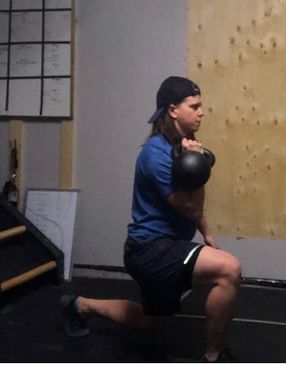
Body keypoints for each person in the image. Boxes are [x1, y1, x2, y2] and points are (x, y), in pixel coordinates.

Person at [60, 76, 242, 362]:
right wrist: (200, 169)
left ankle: (79, 305)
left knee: (150, 322)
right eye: (194, 106)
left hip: (156, 247)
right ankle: (214, 354)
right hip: (151, 250)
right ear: (173, 110)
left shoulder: (183, 146)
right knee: (229, 270)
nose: (201, 112)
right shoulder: (155, 155)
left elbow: (193, 208)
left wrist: (206, 234)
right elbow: (190, 207)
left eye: (201, 105)